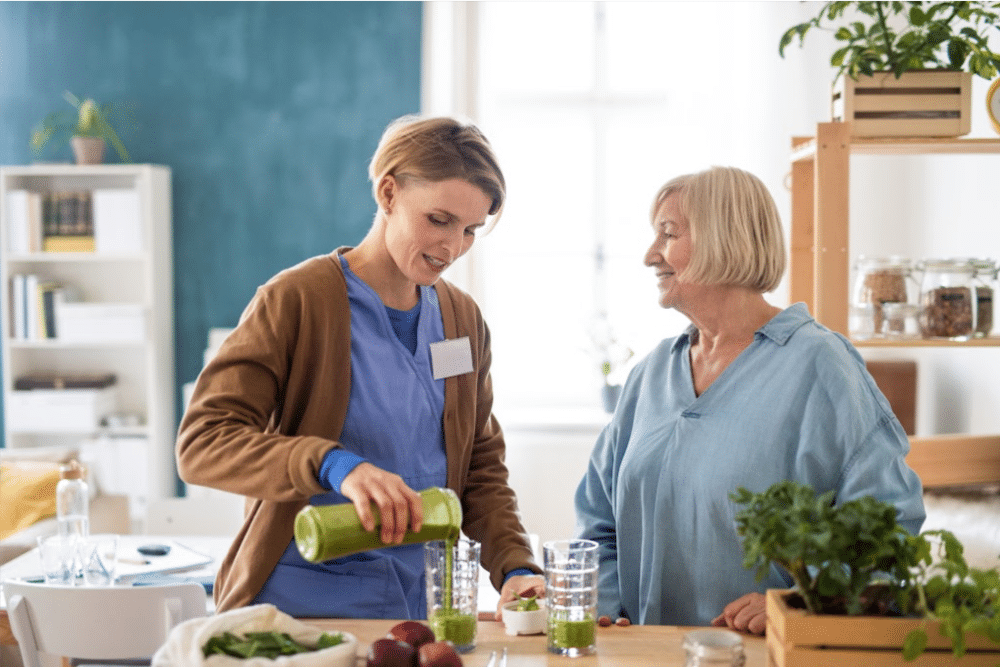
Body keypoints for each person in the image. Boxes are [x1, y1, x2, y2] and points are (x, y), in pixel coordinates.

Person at [177, 115, 543, 619]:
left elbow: (479, 465)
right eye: (438, 220)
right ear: (388, 193)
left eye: (470, 230)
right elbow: (202, 443)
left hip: (417, 610)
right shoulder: (298, 300)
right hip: (297, 609)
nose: (452, 247)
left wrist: (515, 564)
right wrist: (332, 464)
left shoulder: (461, 320)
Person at [573, 166, 925, 634]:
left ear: (725, 238)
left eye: (669, 234)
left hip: (766, 654)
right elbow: (598, 523)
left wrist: (799, 602)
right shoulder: (652, 373)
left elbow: (888, 523)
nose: (650, 256)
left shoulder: (820, 364)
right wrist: (608, 606)